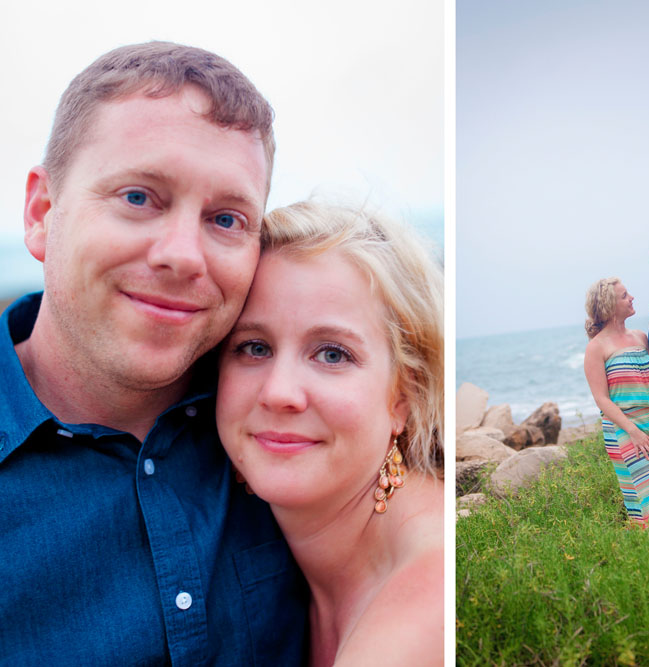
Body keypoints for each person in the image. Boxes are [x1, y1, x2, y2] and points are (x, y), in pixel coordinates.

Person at [0, 42, 307, 664]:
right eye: (139, 197)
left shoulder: (288, 429)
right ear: (42, 211)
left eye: (226, 219)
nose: (183, 255)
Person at [217, 200, 444, 666]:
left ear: (404, 393)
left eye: (332, 354)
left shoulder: (427, 598)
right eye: (254, 347)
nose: (280, 393)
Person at [583, 277, 649, 531]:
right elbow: (601, 399)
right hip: (625, 428)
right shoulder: (596, 347)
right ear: (608, 306)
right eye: (624, 296)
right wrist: (633, 432)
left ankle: (648, 557)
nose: (632, 298)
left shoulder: (641, 337)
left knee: (645, 498)